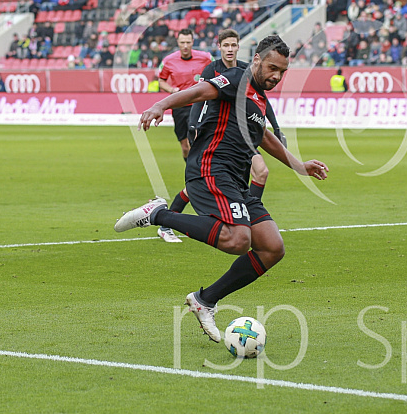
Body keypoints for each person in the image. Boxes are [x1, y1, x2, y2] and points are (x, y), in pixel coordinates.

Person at [114, 35, 329, 342]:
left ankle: (205, 300)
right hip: (211, 168)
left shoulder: (259, 98)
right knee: (238, 239)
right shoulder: (237, 78)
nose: (276, 76)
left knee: (271, 247)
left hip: (236, 180)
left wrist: (300, 165)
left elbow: (263, 135)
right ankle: (158, 214)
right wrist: (160, 104)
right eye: (272, 68)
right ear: (256, 60)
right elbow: (200, 91)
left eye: (282, 71)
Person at [160, 29, 285, 243]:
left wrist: (276, 127)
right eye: (225, 45)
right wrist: (194, 127)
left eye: (233, 45)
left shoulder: (249, 70)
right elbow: (201, 96)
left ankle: (244, 217)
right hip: (215, 134)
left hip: (246, 133)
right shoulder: (213, 69)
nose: (229, 49)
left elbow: (263, 103)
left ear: (238, 47)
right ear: (219, 47)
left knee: (261, 172)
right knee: (199, 183)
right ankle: (166, 219)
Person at [158, 29, 214, 162]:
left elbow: (218, 73)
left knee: (194, 141)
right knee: (185, 147)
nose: (185, 46)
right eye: (182, 42)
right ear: (178, 42)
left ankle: (199, 174)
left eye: (188, 42)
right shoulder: (168, 60)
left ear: (192, 42)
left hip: (199, 105)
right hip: (179, 106)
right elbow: (161, 81)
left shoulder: (205, 58)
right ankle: (191, 172)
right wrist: (172, 90)